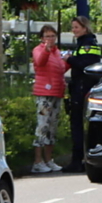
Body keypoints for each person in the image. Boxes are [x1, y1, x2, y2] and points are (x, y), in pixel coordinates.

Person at [63, 16, 102, 173]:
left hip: (82, 88)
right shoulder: (84, 42)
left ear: (85, 28)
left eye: (76, 27)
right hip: (80, 87)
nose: (74, 30)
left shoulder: (87, 44)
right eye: (72, 27)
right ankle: (80, 158)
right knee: (78, 124)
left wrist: (69, 58)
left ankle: (78, 160)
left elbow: (85, 65)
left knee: (78, 125)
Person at [31, 25, 67, 174]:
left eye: (53, 36)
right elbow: (39, 62)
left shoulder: (57, 52)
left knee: (52, 129)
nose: (50, 39)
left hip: (56, 93)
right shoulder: (39, 50)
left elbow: (61, 69)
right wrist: (46, 49)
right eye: (47, 36)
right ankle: (37, 161)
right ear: (42, 38)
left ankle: (48, 160)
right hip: (44, 93)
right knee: (42, 127)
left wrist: (69, 61)